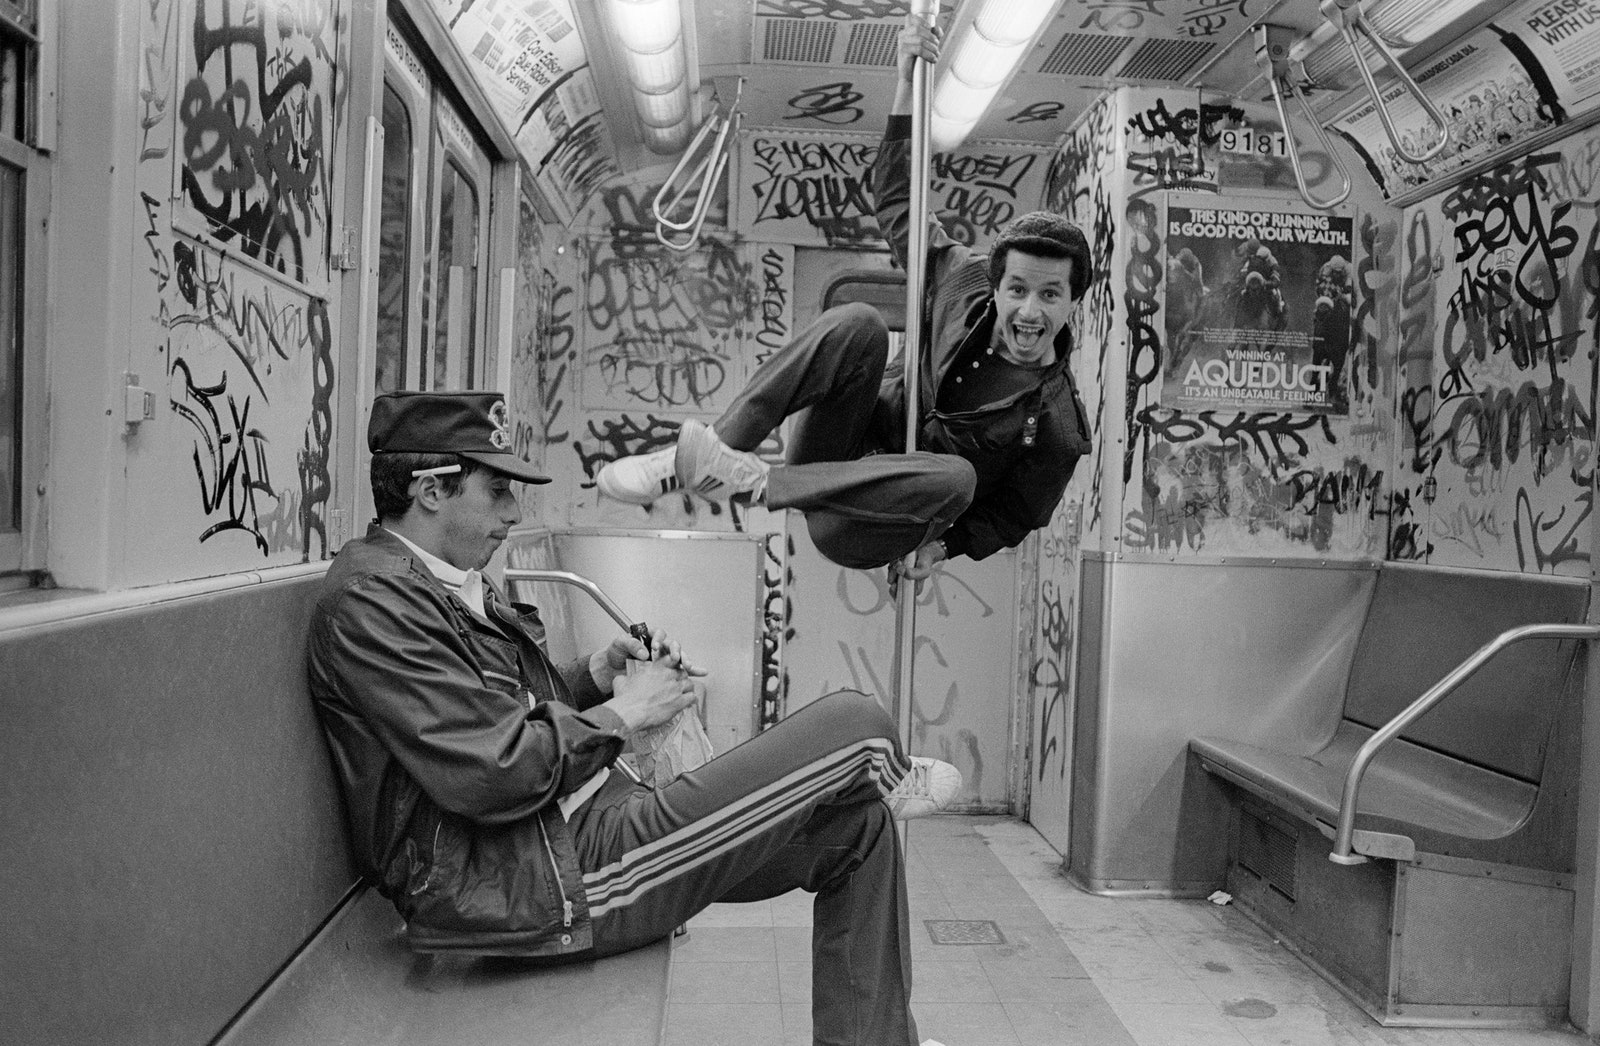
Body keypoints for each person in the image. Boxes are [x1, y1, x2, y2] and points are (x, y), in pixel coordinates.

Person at [306, 389, 962, 1046]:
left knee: (861, 828)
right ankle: (885, 771)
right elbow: (491, 771)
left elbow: (494, 717)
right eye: (498, 490)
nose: (514, 510)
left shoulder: (439, 580)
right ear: (429, 491)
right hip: (540, 880)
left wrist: (594, 679)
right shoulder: (374, 602)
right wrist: (627, 711)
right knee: (855, 722)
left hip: (577, 836)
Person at [597, 15, 1093, 586]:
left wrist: (941, 550)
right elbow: (898, 200)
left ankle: (755, 483)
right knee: (860, 324)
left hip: (865, 524)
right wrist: (906, 79)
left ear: (1073, 300)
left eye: (1050, 295)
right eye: (1018, 290)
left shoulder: (1057, 425)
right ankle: (701, 461)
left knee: (958, 478)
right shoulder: (963, 281)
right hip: (834, 452)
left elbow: (1014, 515)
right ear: (997, 285)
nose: (1030, 311)